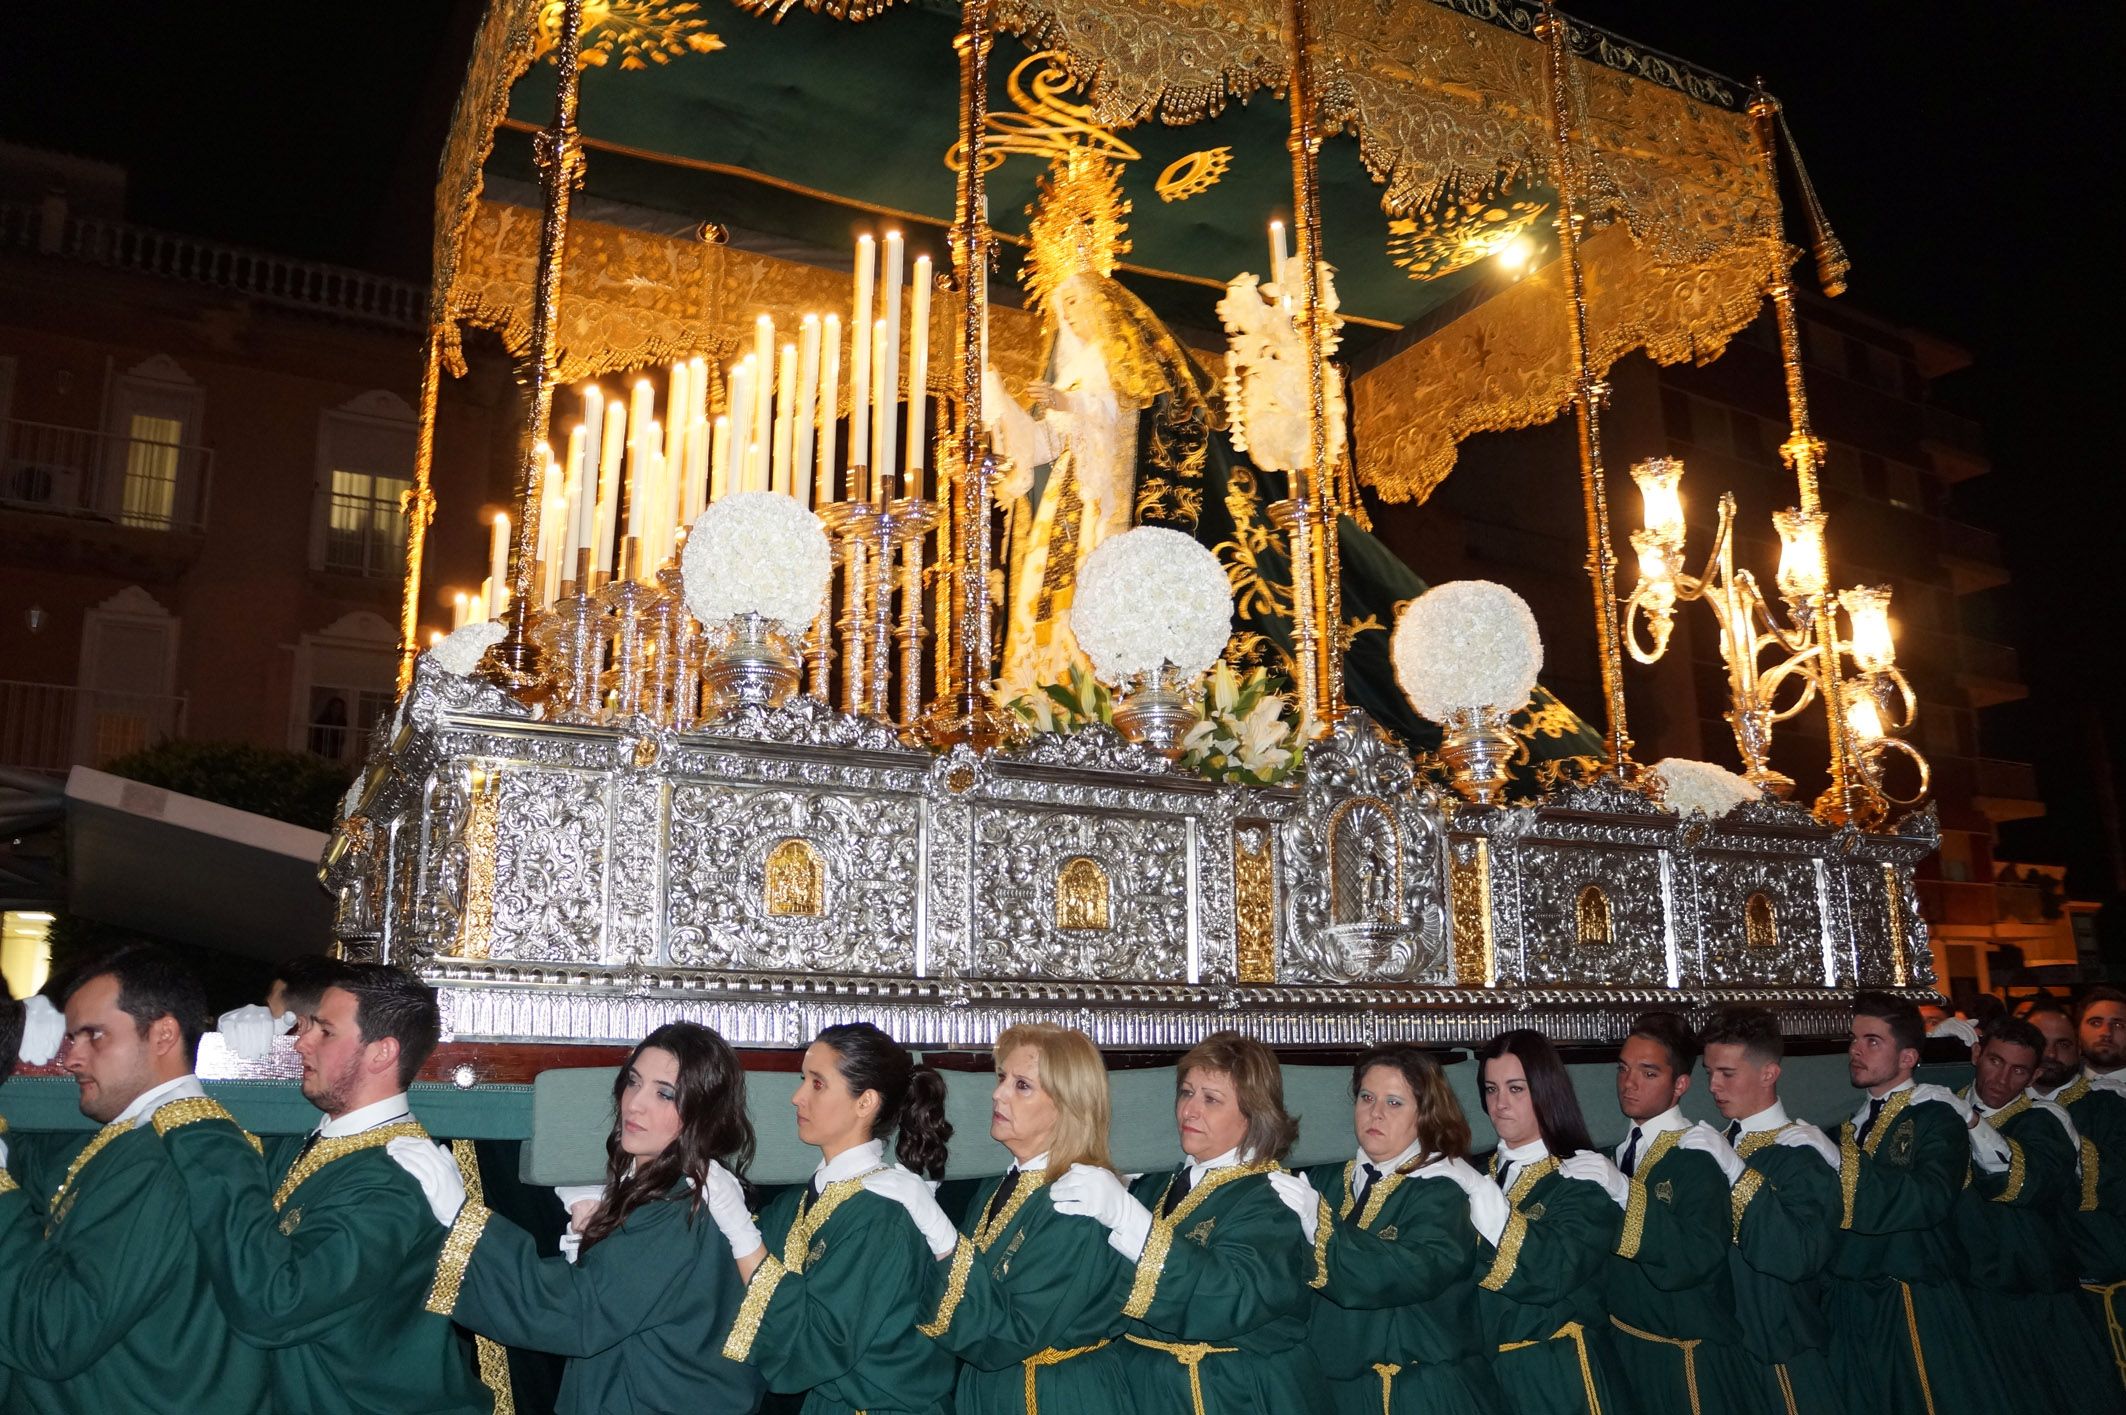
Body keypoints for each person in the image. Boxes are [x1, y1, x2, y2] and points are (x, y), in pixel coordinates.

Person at [154, 962, 486, 1414]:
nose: (301, 1041)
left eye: (323, 1031)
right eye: (304, 1025)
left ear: (381, 1054)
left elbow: (274, 1307)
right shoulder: (306, 1138)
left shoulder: (394, 1180)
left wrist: (202, 1134)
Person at [395, 1021, 765, 1414]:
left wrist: (464, 1218)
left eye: (665, 1094)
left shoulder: (677, 1206)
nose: (635, 1104)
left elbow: (578, 1312)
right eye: (634, 1082)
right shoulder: (672, 1187)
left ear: (701, 1112)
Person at [0, 946, 270, 1414]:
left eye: (94, 1036)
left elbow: (57, 1332)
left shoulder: (165, 1156)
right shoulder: (143, 1139)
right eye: (70, 1038)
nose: (71, 1059)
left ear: (163, 1034)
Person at [1048, 1029, 1328, 1414]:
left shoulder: (1273, 1198)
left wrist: (1130, 1218)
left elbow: (1229, 1294)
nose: (1189, 1110)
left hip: (1234, 1394)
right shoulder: (1156, 1188)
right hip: (1152, 1391)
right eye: (1186, 1092)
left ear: (1254, 1114)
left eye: (1211, 1099)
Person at [718, 1021, 960, 1414]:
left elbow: (821, 1342)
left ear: (865, 1102)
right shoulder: (801, 1203)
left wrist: (738, 1227)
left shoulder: (882, 1214)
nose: (797, 1097)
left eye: (816, 1083)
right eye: (803, 1080)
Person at [916, 1022, 1133, 1414]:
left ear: (1068, 1104)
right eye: (1002, 1078)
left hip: (1052, 1395)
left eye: (1022, 1085)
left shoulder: (1078, 1201)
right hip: (997, 1389)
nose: (997, 1094)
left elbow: (1011, 1332)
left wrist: (939, 1236)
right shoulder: (1002, 1186)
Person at [1825, 990, 2011, 1413]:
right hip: (1853, 1297)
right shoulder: (1847, 1126)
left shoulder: (1934, 1114)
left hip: (1912, 1295)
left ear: (1908, 1057)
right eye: (1854, 1039)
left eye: (1873, 1041)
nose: (1856, 1050)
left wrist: (1838, 1163)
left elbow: (1930, 1198)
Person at [1295, 1043, 1507, 1414]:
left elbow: (1406, 1272)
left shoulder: (1444, 1191)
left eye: (1394, 1103)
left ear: (1425, 1114)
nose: (1375, 1113)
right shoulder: (1325, 1182)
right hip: (1336, 1392)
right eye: (1366, 1097)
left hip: (1423, 1393)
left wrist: (1320, 1230)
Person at [1577, 1010, 1760, 1412]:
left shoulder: (1696, 1157)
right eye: (1624, 1068)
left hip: (1683, 1358)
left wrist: (1624, 1192)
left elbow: (1697, 1256)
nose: (1629, 1083)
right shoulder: (1616, 1153)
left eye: (1648, 1073)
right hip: (1623, 1342)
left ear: (1680, 1084)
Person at [1951, 1016, 2116, 1414]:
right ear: (1976, 1054)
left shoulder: (2046, 1120)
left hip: (2036, 1299)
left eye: (2018, 1070)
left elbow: (2021, 1184)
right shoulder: (1939, 1108)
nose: (2001, 1078)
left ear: (2034, 1075)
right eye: (1994, 1061)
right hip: (1967, 1296)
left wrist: (1971, 1122)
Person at [1470, 1029, 1629, 1415]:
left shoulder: (1579, 1177)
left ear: (1545, 1089)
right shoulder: (1478, 1173)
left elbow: (1557, 1270)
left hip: (1563, 1372)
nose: (1500, 1104)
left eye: (1516, 1089)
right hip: (1490, 1372)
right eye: (1491, 1090)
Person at [1700, 1007, 1844, 1414]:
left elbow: (1799, 1254)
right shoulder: (1715, 1143)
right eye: (1709, 1071)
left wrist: (1736, 1172)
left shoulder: (1802, 1154)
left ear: (1769, 1073)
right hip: (1725, 1343)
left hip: (1782, 1346)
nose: (1713, 1085)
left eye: (1727, 1073)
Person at [2029, 998, 2126, 1393]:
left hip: (2096, 1287)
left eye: (2062, 1044)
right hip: (2031, 1295)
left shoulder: (2105, 1107)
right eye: (2040, 1043)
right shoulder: (1993, 1105)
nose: (2051, 1054)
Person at [2078, 984, 2126, 1079]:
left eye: (2118, 1025)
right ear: (2078, 1031)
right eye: (2095, 1023)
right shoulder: (2057, 1087)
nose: (2106, 1033)